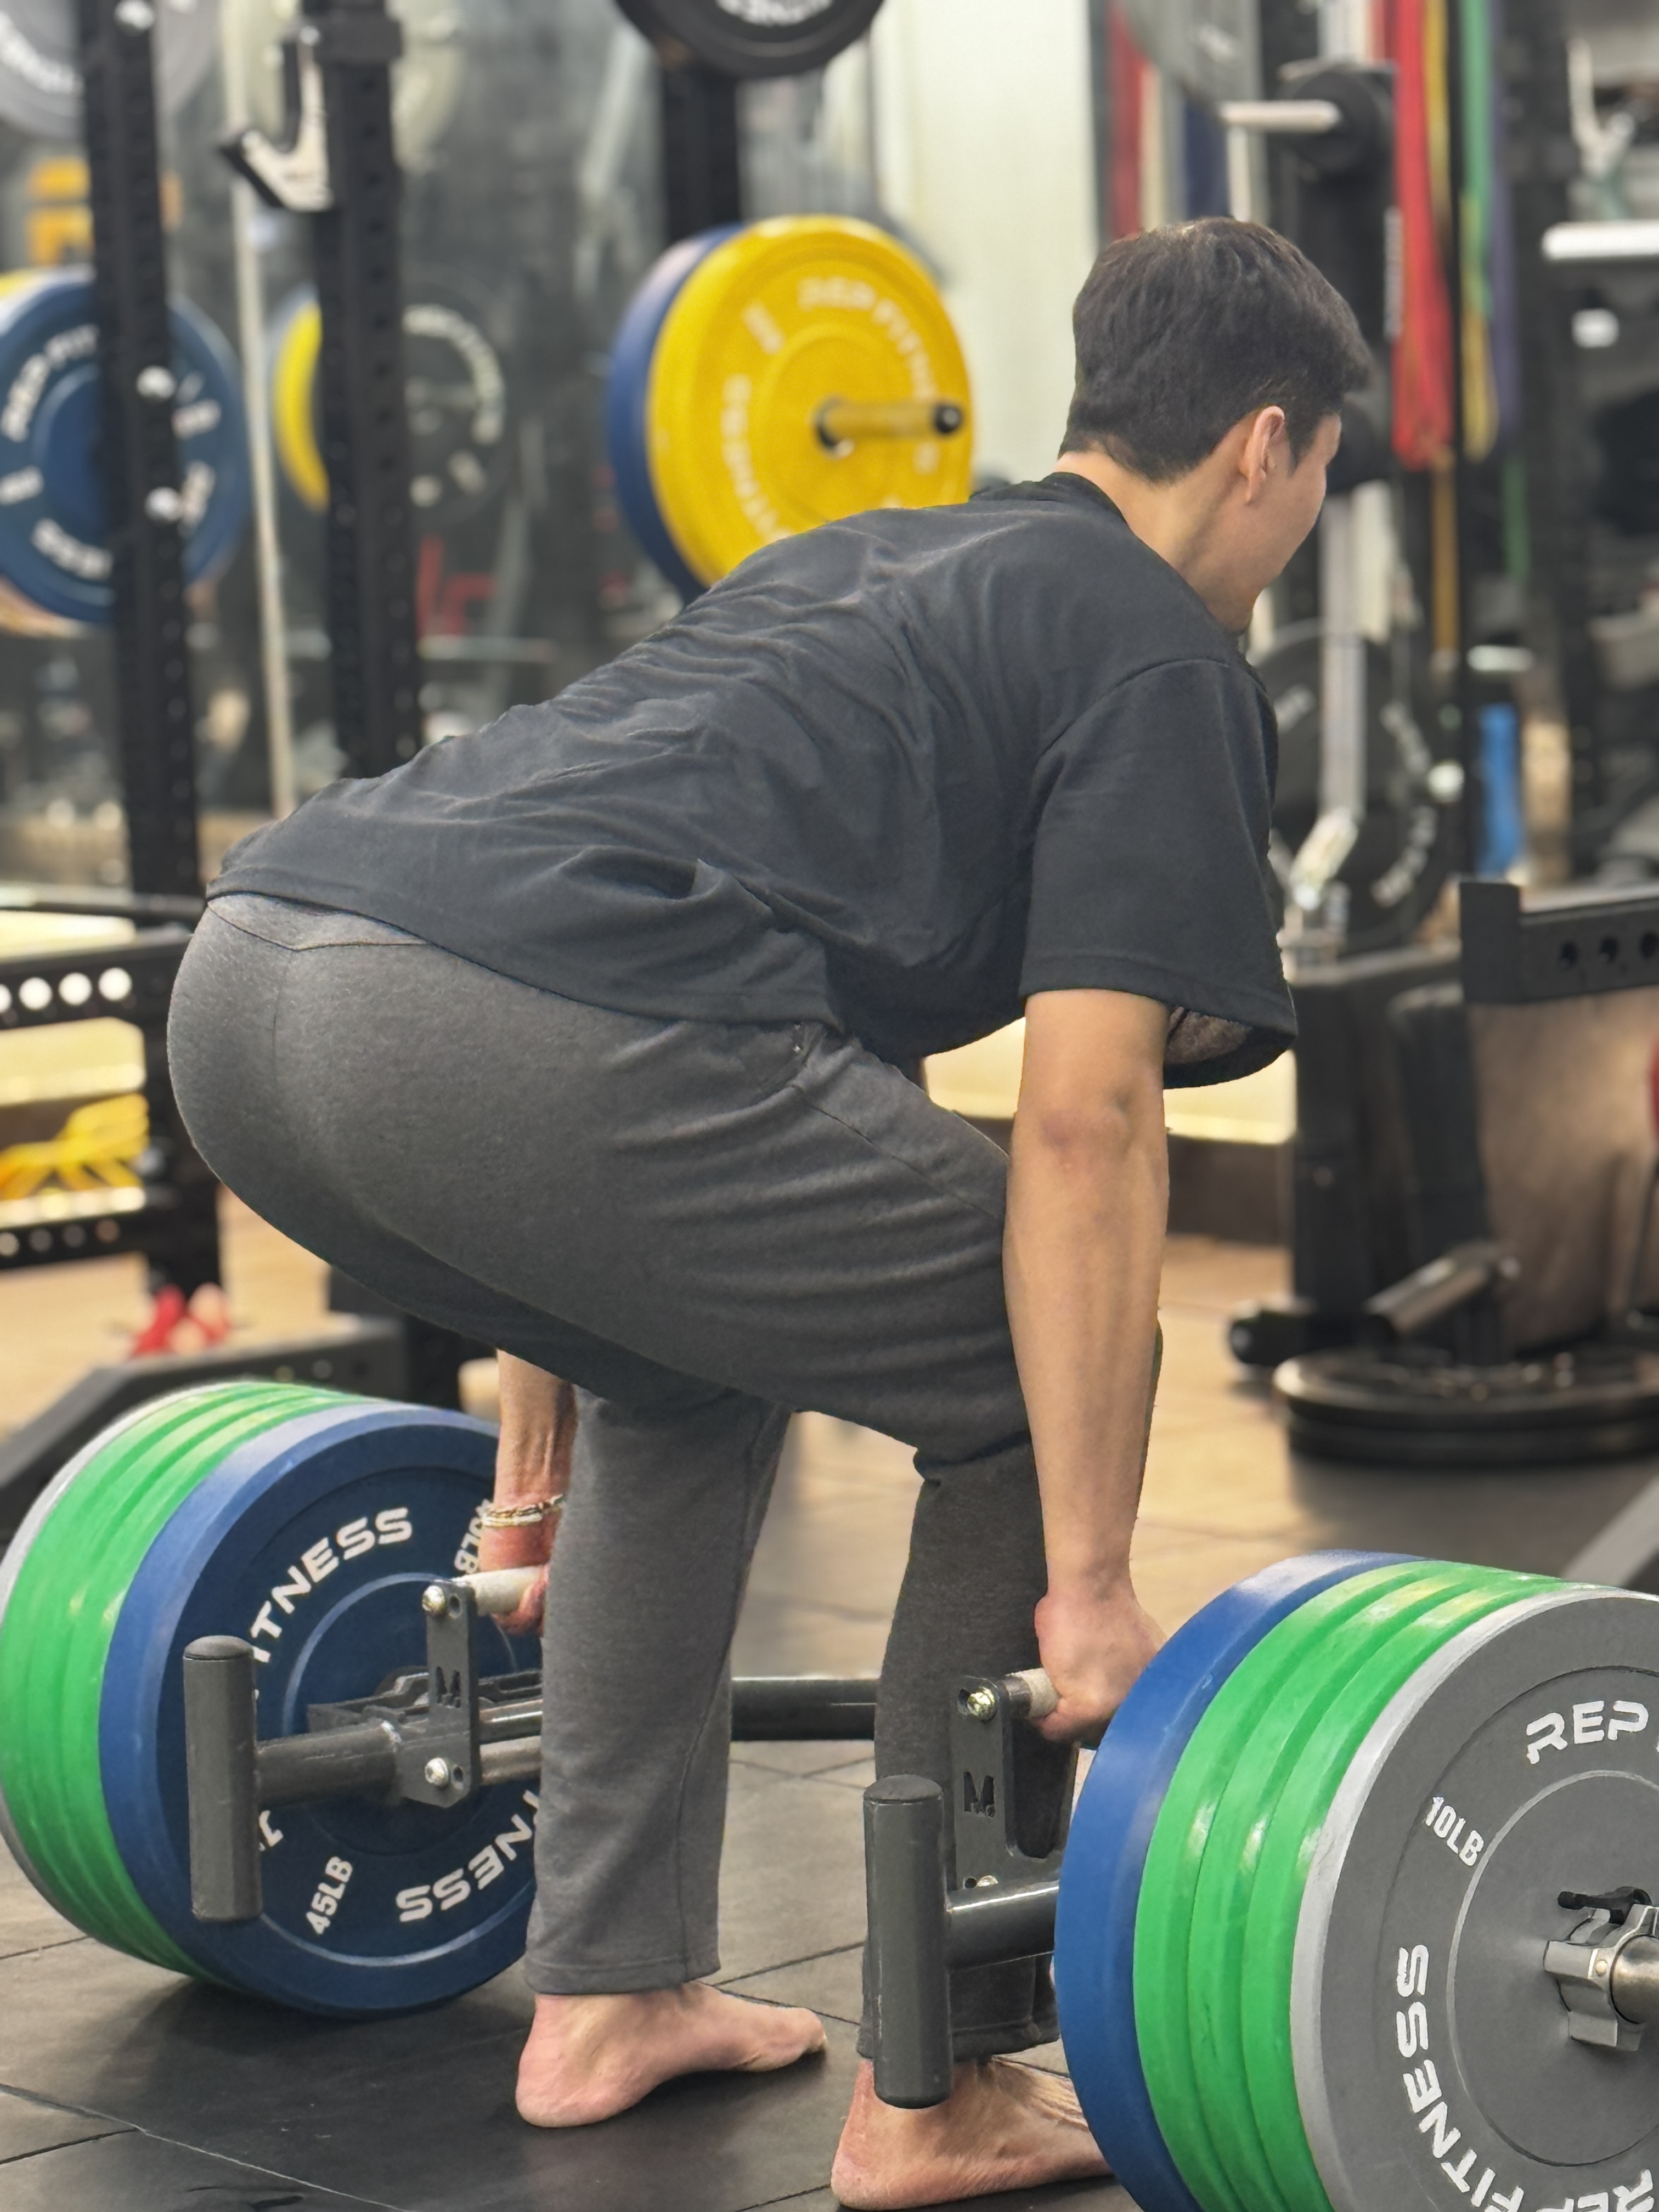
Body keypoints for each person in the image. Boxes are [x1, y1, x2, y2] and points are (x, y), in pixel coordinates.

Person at [168, 217, 1369, 2209]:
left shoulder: (856, 563)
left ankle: (608, 1991)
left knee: (694, 1372)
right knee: (1033, 1352)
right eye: (1322, 471)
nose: (1307, 514)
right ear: (1266, 444)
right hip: (499, 1029)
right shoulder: (1158, 652)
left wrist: (532, 1473)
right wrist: (1086, 1585)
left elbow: (582, 941)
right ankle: (936, 2076)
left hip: (255, 987)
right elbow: (1087, 1129)